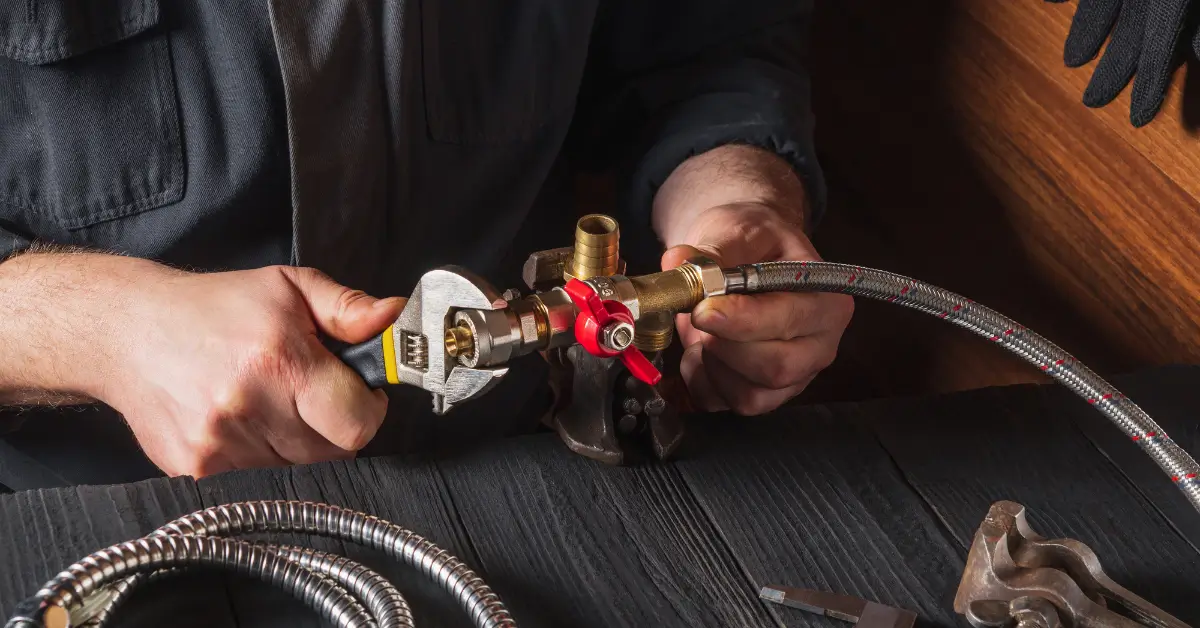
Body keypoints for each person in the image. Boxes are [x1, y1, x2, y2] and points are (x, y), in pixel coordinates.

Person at [0, 0, 853, 488]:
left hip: (519, 463)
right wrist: (107, 328)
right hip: (92, 506)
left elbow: (703, 54)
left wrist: (738, 203)